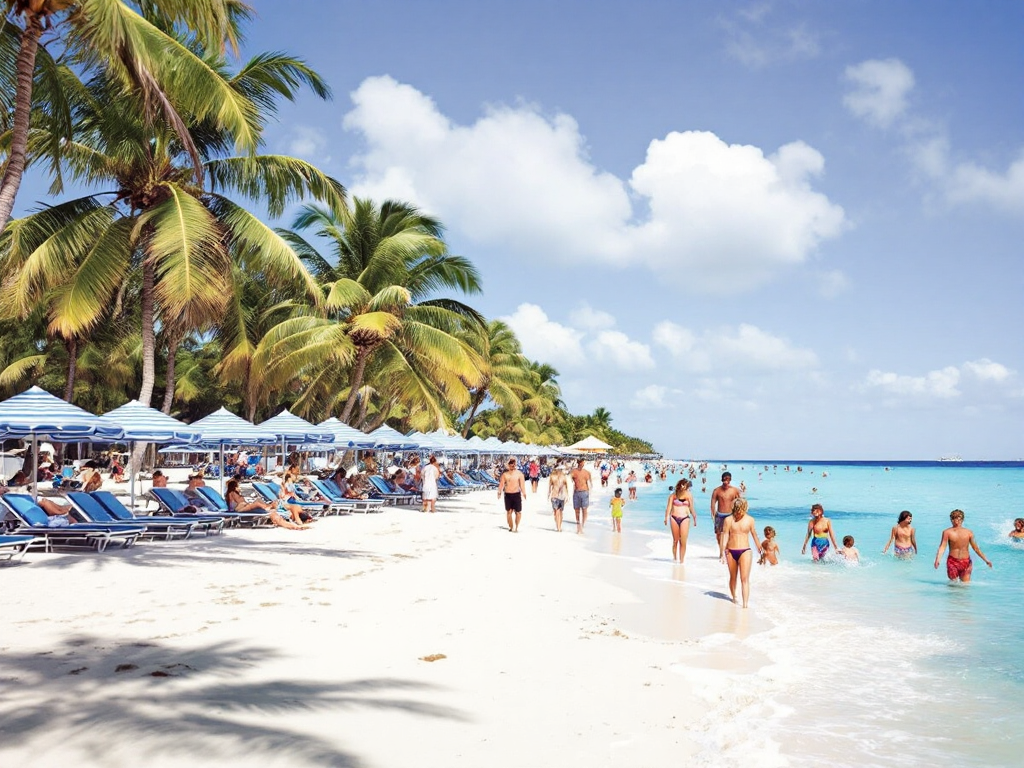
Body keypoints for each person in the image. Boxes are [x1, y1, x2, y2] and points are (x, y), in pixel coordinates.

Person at [720, 498, 761, 608]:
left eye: (741, 510)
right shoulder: (728, 520)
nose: (739, 513)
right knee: (733, 577)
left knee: (744, 578)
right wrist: (722, 552)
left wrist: (759, 546)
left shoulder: (750, 520)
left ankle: (745, 604)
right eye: (737, 510)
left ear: (744, 508)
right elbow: (725, 535)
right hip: (730, 551)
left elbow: (754, 533)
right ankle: (734, 597)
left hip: (745, 550)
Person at [225, 478, 308, 530]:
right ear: (233, 487)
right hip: (238, 510)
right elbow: (240, 503)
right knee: (257, 503)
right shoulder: (232, 493)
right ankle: (267, 508)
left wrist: (245, 502)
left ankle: (267, 507)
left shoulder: (235, 494)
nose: (239, 488)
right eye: (237, 486)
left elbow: (242, 502)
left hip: (243, 507)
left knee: (258, 500)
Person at [934, 509, 992, 583]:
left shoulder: (969, 533)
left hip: (966, 562)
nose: (956, 520)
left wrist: (986, 560)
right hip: (952, 562)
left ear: (962, 519)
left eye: (959, 518)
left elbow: (976, 548)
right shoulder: (947, 532)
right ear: (951, 520)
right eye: (954, 518)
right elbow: (942, 547)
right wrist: (937, 559)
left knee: (965, 586)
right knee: (953, 585)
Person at [710, 471, 742, 559]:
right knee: (718, 535)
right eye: (724, 479)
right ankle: (722, 552)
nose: (725, 481)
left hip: (730, 515)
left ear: (730, 480)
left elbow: (740, 502)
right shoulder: (717, 490)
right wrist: (713, 514)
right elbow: (713, 503)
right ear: (722, 479)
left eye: (727, 479)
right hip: (719, 515)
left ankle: (728, 550)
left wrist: (739, 515)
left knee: (730, 534)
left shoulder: (734, 490)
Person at [663, 478, 696, 563]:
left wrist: (695, 517)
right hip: (674, 517)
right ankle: (674, 559)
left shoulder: (689, 495)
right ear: (679, 485)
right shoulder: (673, 496)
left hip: (685, 518)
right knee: (675, 540)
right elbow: (669, 508)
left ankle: (682, 561)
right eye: (682, 484)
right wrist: (666, 518)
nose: (683, 486)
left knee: (683, 541)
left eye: (685, 485)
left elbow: (691, 507)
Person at [498, 458, 526, 532]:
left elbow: (522, 485)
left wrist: (524, 493)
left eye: (513, 463)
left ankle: (516, 526)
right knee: (509, 511)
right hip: (508, 494)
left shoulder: (519, 474)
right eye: (511, 463)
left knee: (518, 512)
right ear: (508, 465)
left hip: (516, 494)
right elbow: (501, 484)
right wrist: (499, 492)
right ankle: (511, 526)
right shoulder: (505, 474)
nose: (512, 465)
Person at [570, 458, 592, 534]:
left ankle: (582, 525)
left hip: (585, 492)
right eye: (581, 463)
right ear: (578, 463)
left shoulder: (587, 472)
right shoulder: (573, 472)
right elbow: (570, 481)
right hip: (576, 492)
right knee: (577, 510)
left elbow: (590, 483)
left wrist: (589, 492)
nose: (582, 465)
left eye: (583, 463)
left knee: (584, 509)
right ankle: (578, 524)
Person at [547, 465, 568, 532]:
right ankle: (558, 526)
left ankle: (559, 525)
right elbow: (549, 487)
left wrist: (567, 495)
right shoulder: (553, 477)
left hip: (560, 496)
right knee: (557, 511)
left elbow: (566, 487)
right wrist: (548, 494)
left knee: (559, 512)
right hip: (555, 496)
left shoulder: (563, 477)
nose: (561, 471)